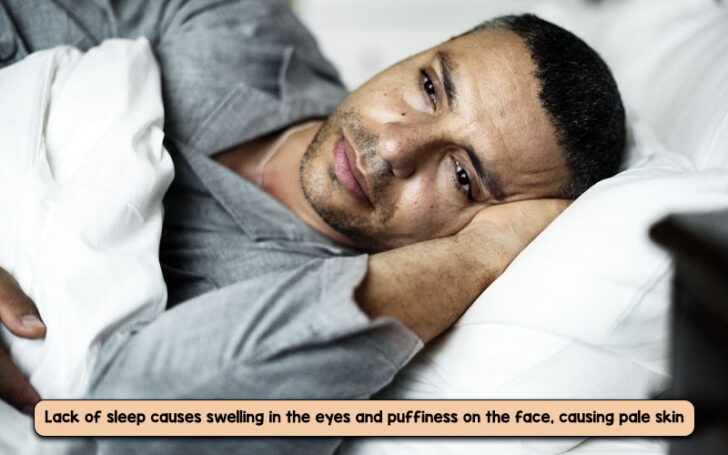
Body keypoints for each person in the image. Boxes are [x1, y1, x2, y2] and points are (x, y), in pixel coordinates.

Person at [0, 0, 625, 453]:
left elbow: (129, 418)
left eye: (461, 176)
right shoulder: (234, 27)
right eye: (429, 87)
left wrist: (483, 255)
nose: (393, 147)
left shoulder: (300, 316)